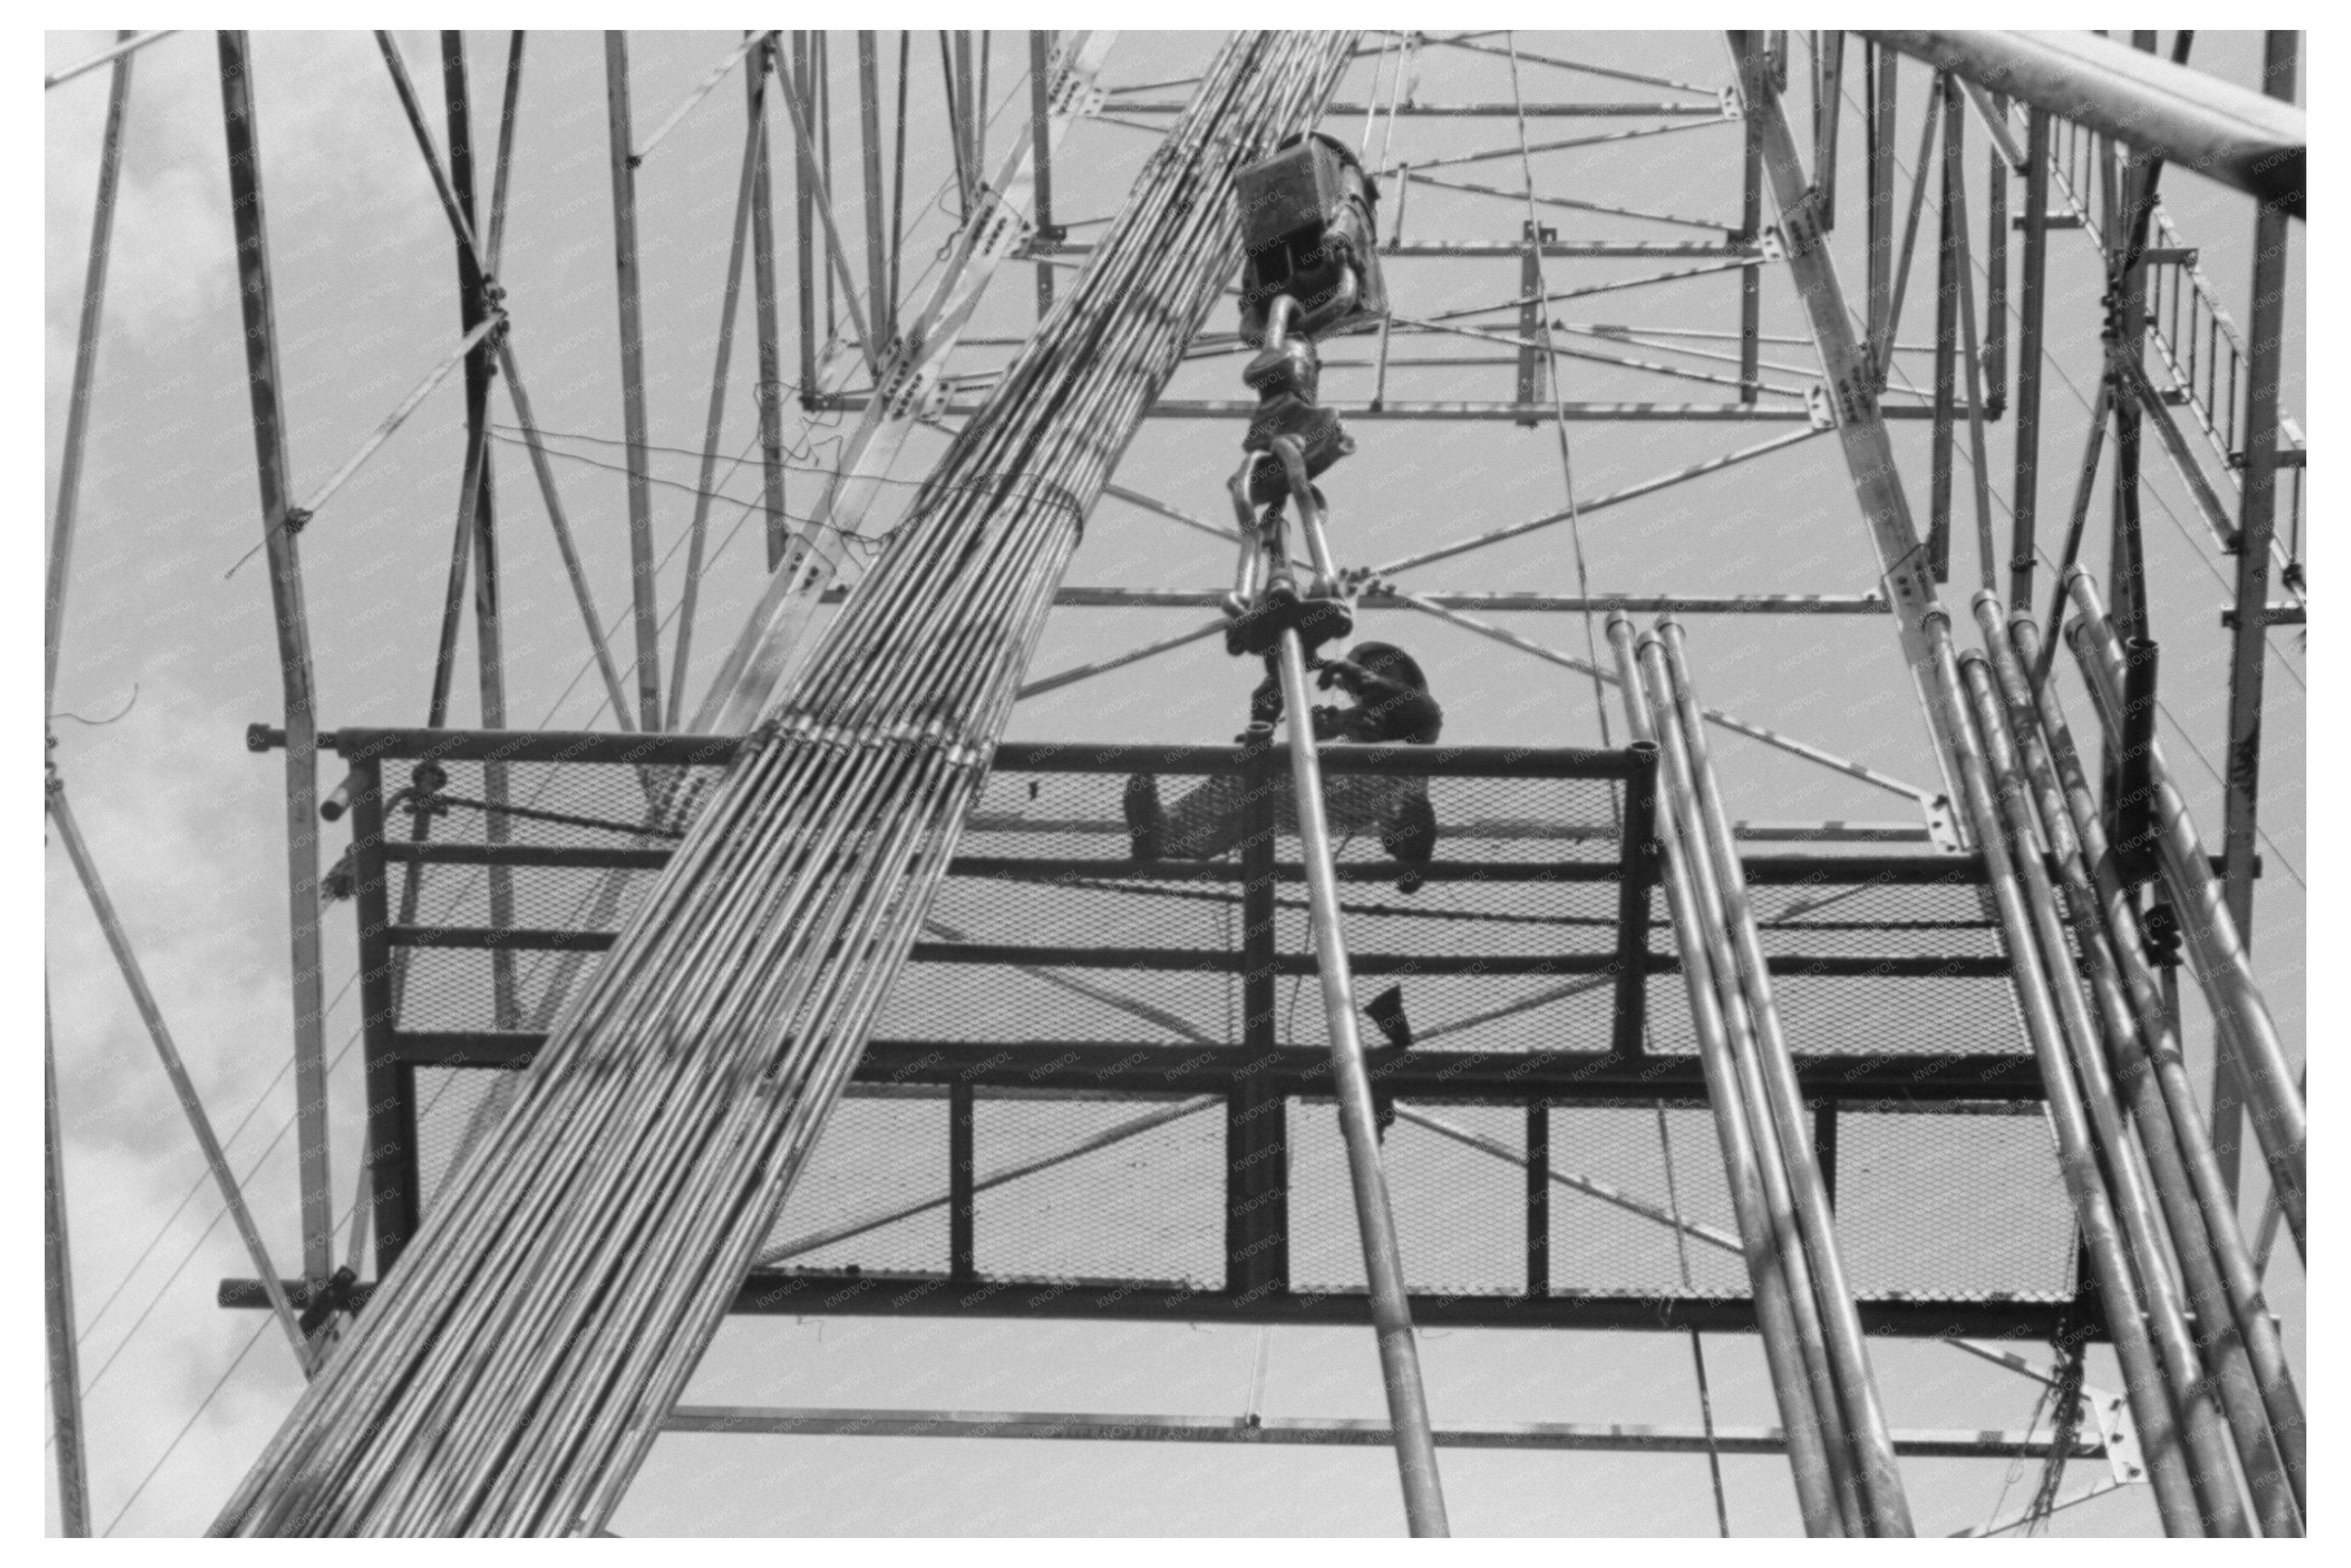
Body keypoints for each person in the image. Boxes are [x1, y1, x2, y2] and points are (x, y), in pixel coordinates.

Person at [1124, 642, 1442, 893]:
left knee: (1398, 777)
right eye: (1367, 671)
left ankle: (1408, 846)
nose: (1371, 677)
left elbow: (1417, 709)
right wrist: (1272, 721)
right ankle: (1165, 835)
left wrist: (1354, 673)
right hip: (1321, 794)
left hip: (1379, 795)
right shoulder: (1350, 719)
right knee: (1250, 782)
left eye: (1384, 670)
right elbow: (1300, 746)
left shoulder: (1422, 715)